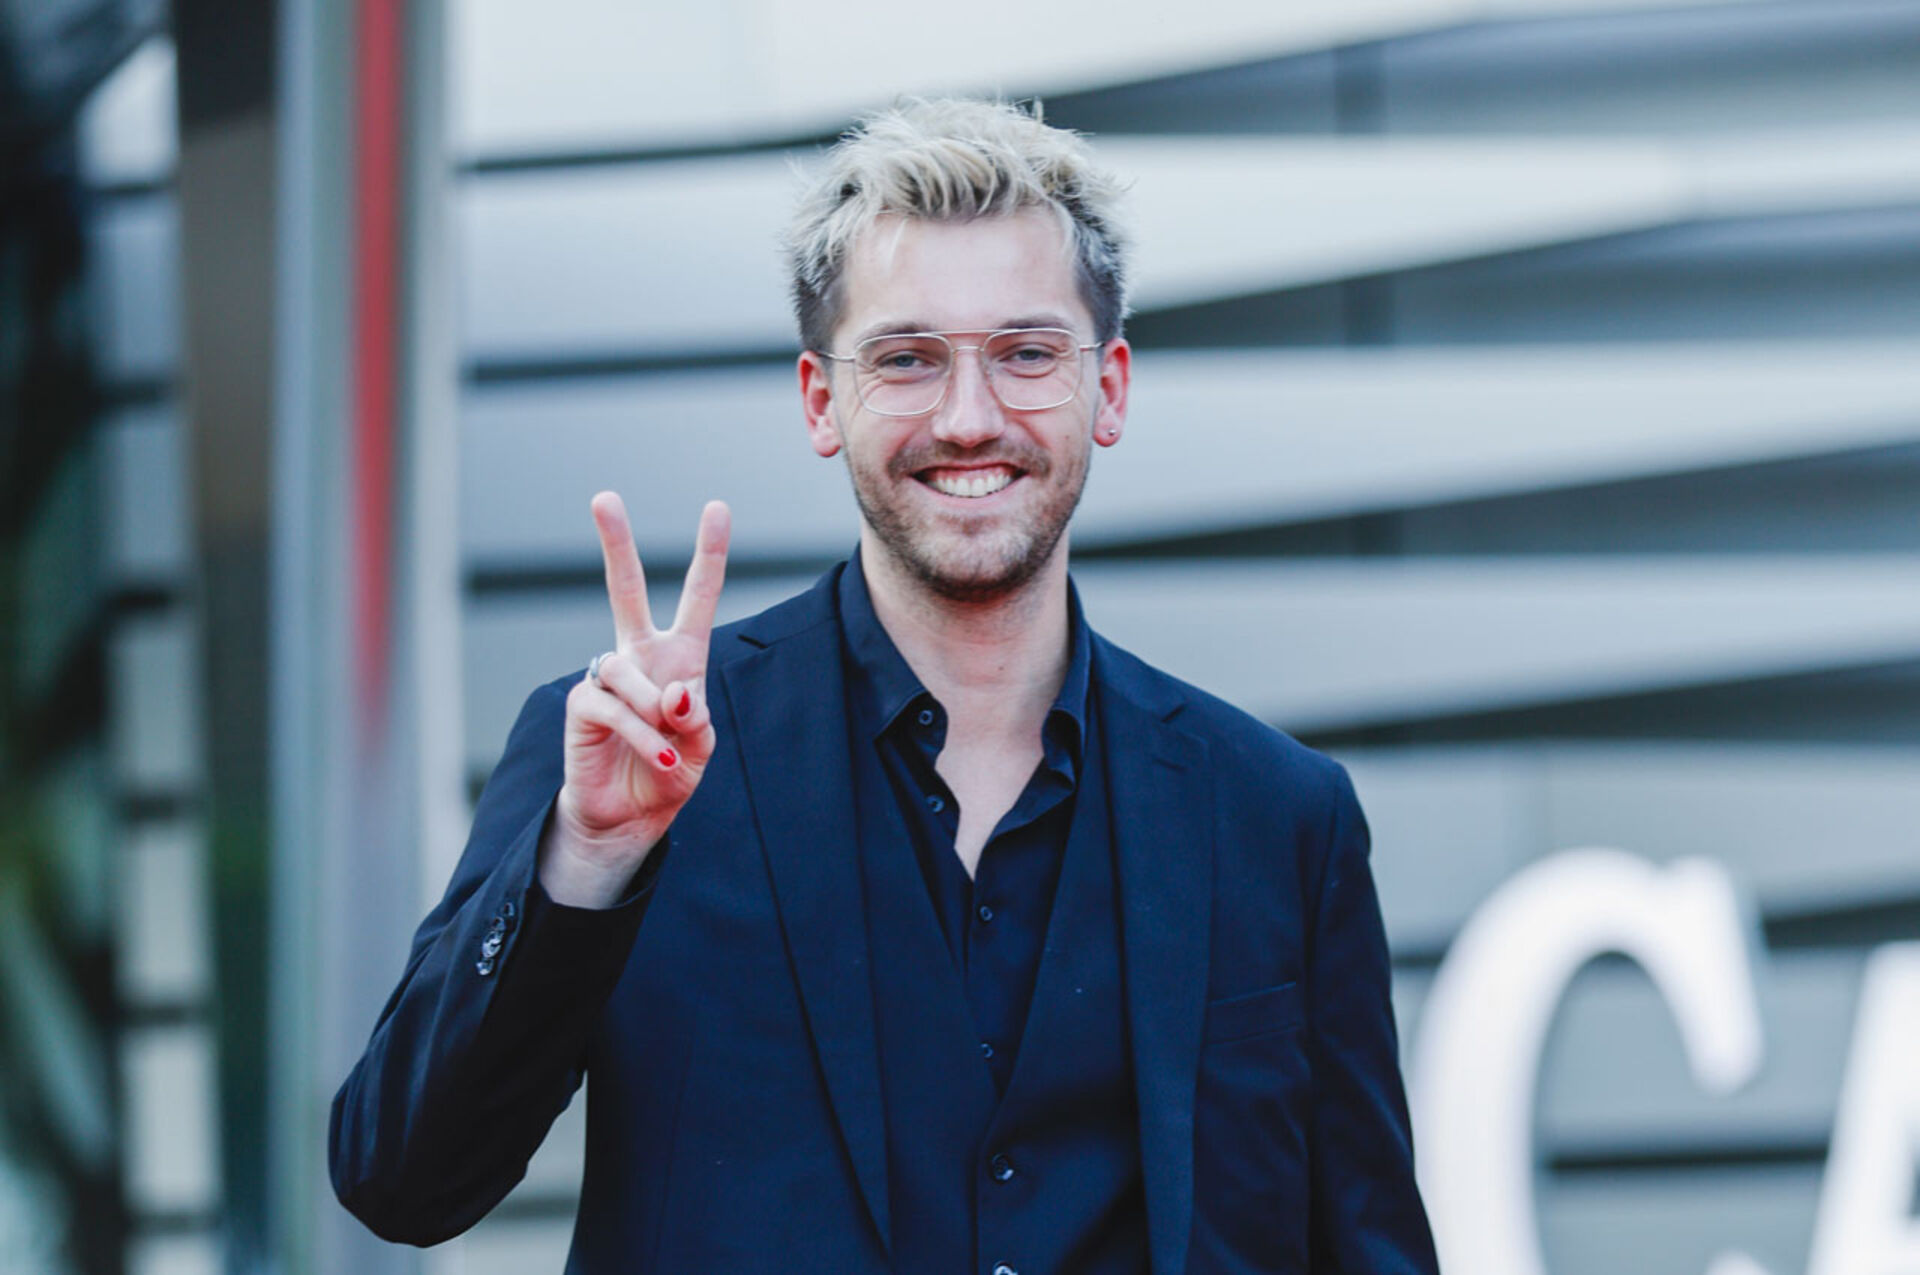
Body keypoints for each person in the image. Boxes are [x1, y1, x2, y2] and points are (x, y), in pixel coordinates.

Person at [331, 98, 1438, 1275]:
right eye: (907, 359)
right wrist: (588, 861)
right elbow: (403, 1181)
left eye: (1026, 354)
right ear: (823, 400)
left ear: (1108, 389)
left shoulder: (1277, 816)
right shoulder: (622, 762)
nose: (969, 419)